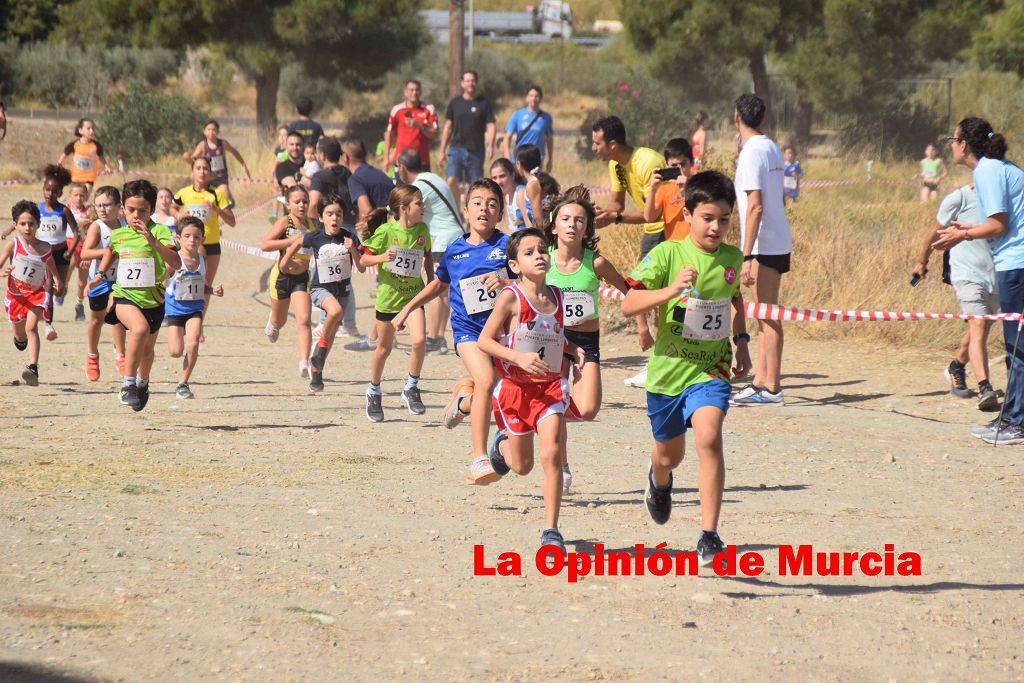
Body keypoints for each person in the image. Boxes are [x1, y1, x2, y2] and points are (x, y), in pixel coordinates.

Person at [621, 170, 752, 565]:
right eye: (708, 218)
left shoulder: (732, 258)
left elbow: (735, 299)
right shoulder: (666, 254)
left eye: (725, 219)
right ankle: (659, 481)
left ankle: (709, 535)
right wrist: (672, 290)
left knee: (709, 437)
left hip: (710, 368)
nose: (716, 227)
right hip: (668, 374)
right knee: (669, 456)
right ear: (689, 215)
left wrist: (742, 341)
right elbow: (629, 303)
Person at [392, 179, 511, 485]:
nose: (485, 208)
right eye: (478, 202)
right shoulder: (455, 250)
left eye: (492, 204)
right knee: (486, 381)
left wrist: (506, 281)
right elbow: (438, 285)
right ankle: (478, 460)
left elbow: (528, 279)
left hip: (502, 334)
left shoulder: (507, 246)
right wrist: (406, 309)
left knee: (493, 391)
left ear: (500, 214)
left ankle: (462, 402)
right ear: (466, 209)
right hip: (468, 333)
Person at [478, 228, 582, 554]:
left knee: (552, 452)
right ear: (514, 264)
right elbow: (485, 341)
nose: (538, 255)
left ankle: (552, 530)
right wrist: (518, 357)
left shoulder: (558, 296)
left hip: (549, 389)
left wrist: (572, 349)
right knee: (523, 467)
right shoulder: (511, 296)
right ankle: (502, 446)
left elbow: (552, 335)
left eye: (542, 250)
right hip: (515, 390)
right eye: (529, 252)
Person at [933, 117, 1024, 444]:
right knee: (1015, 345)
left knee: (1018, 347)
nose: (951, 145)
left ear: (964, 145)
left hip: (1016, 264)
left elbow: (998, 225)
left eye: (952, 139)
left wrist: (963, 235)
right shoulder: (994, 168)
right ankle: (1011, 416)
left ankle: (1017, 422)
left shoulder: (986, 170)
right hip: (1013, 263)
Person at [543, 186, 630, 493]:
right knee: (554, 405)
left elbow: (629, 293)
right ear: (554, 225)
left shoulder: (597, 263)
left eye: (579, 220)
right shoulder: (543, 261)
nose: (572, 224)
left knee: (588, 408)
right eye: (565, 218)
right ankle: (561, 463)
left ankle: (541, 417)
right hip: (551, 340)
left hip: (585, 341)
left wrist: (646, 324)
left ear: (587, 228)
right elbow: (520, 292)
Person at [91, 180, 181, 411]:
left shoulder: (160, 232)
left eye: (143, 210)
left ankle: (142, 382)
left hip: (154, 300)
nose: (136, 215)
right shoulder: (119, 235)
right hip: (125, 297)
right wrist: (100, 274)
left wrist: (153, 242)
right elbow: (111, 252)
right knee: (138, 329)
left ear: (151, 209)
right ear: (123, 208)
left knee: (147, 351)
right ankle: (128, 384)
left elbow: (176, 262)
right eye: (131, 210)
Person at [729, 93, 792, 407]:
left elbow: (754, 206)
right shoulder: (771, 146)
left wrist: (744, 253)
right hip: (776, 240)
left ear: (736, 117)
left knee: (767, 315)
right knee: (764, 313)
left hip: (763, 244)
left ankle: (772, 387)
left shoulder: (752, 151)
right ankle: (760, 381)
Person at [912, 183, 999, 410]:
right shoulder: (958, 198)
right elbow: (934, 233)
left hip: (996, 273)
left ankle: (957, 366)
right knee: (978, 324)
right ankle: (985, 388)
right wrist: (922, 261)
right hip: (966, 271)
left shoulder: (1002, 197)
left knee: (981, 326)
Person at [589, 115, 661, 387]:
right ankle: (656, 360)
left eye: (597, 143)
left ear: (613, 144)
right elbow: (617, 205)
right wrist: (603, 214)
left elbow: (656, 211)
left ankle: (656, 361)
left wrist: (615, 218)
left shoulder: (647, 161)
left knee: (646, 293)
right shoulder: (615, 165)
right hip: (652, 232)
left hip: (666, 230)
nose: (593, 148)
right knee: (646, 293)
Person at [356, 186, 433, 422]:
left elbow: (427, 254)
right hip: (389, 301)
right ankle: (374, 390)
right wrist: (382, 257)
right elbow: (363, 258)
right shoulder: (386, 232)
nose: (424, 207)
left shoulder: (422, 229)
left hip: (413, 297)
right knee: (384, 349)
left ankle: (411, 387)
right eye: (419, 203)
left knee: (419, 340)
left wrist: (430, 282)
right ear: (404, 208)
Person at [280, 193, 362, 393]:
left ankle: (317, 370)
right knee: (334, 313)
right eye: (330, 214)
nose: (334, 218)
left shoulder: (349, 237)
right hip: (320, 289)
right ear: (321, 217)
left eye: (339, 214)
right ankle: (317, 356)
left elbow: (359, 267)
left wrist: (354, 251)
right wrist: (284, 262)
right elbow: (298, 242)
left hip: (342, 291)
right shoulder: (314, 237)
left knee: (331, 333)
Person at [396, 147, 465, 354]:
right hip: (454, 236)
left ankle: (434, 339)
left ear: (401, 167)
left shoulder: (418, 187)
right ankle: (439, 338)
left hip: (443, 241)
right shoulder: (433, 178)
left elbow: (405, 215)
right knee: (442, 290)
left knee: (437, 290)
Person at [1, 200, 62, 386]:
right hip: (16, 296)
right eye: (23, 224)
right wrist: (2, 272)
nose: (27, 227)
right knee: (21, 335)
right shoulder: (14, 244)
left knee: (31, 328)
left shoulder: (45, 247)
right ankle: (20, 340)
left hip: (36, 294)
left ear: (38, 224)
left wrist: (57, 278)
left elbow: (50, 263)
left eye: (31, 224)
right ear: (15, 225)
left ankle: (33, 367)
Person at [171, 157, 235, 332]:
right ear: (192, 171)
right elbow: (172, 207)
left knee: (206, 283)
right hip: (193, 244)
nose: (202, 171)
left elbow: (232, 222)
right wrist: (179, 215)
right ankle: (183, 317)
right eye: (198, 168)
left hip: (212, 243)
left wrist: (217, 210)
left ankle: (198, 324)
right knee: (190, 279)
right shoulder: (184, 192)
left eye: (205, 168)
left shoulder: (217, 194)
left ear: (210, 172)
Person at [164, 217, 224, 399]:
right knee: (175, 352)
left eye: (196, 237)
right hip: (174, 310)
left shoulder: (202, 259)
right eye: (187, 236)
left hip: (194, 309)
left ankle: (183, 383)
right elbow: (160, 281)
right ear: (178, 238)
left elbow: (200, 286)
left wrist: (212, 290)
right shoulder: (174, 260)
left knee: (193, 343)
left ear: (203, 239)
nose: (192, 240)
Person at [261, 185, 316, 378]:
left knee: (304, 319)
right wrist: (291, 242)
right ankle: (273, 320)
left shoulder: (312, 224)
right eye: (297, 201)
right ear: (289, 204)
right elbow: (265, 244)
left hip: (302, 278)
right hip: (281, 277)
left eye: (305, 201)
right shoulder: (285, 222)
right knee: (280, 321)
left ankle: (304, 362)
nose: (302, 205)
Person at [78, 185, 127, 381]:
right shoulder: (97, 227)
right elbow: (85, 252)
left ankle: (120, 355)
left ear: (119, 206)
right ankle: (92, 355)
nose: (102, 209)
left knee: (118, 315)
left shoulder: (125, 225)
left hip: (120, 280)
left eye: (107, 205)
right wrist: (107, 252)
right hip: (99, 280)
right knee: (97, 320)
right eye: (98, 205)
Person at [440, 70, 496, 206]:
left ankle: (471, 212)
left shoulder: (484, 103)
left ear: (475, 83)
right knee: (451, 180)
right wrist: (442, 150)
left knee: (476, 185)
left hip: (476, 150)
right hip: (456, 148)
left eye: (472, 80)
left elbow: (491, 125)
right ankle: (457, 211)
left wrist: (490, 145)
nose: (470, 83)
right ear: (462, 83)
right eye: (467, 81)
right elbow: (448, 127)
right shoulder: (455, 103)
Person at [185, 120, 252, 205]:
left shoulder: (222, 144)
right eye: (208, 129)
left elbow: (234, 152)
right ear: (204, 132)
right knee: (206, 203)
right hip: (207, 179)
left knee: (223, 202)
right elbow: (194, 160)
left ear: (217, 131)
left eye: (213, 130)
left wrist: (243, 165)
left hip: (221, 179)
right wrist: (190, 165)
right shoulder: (202, 145)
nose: (211, 132)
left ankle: (228, 196)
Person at [644, 137, 695, 241]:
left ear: (692, 162)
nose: (680, 169)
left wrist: (687, 188)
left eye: (683, 164)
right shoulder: (664, 189)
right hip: (674, 247)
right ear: (667, 165)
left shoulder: (700, 183)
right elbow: (649, 217)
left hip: (697, 247)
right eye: (674, 165)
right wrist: (653, 189)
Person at [384, 80, 438, 172]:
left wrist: (419, 126)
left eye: (417, 90)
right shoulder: (397, 109)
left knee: (422, 187)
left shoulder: (428, 109)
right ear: (405, 92)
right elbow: (389, 134)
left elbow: (434, 134)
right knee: (401, 187)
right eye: (411, 90)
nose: (414, 93)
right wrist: (386, 157)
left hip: (422, 161)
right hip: (401, 160)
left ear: (420, 92)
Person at [502, 86, 554, 173]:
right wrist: (507, 156)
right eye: (531, 95)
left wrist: (550, 159)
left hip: (537, 159)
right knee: (519, 185)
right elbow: (507, 137)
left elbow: (549, 140)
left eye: (536, 96)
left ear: (540, 98)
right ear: (527, 98)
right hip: (520, 159)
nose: (534, 98)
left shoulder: (546, 118)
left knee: (535, 185)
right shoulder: (517, 115)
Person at [343, 139, 394, 220]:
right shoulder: (381, 174)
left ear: (345, 156)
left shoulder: (355, 179)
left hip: (376, 229)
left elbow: (366, 211)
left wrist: (361, 228)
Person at [57, 118, 111, 192]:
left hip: (89, 178)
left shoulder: (96, 145)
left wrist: (106, 166)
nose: (91, 131)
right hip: (76, 178)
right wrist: (59, 164)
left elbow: (101, 157)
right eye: (88, 128)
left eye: (93, 129)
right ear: (80, 130)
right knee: (76, 199)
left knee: (84, 198)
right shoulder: (75, 144)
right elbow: (64, 154)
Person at [65, 182, 91, 321]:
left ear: (86, 196)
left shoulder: (89, 211)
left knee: (82, 282)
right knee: (71, 260)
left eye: (82, 195)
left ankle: (79, 305)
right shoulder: (65, 209)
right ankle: (65, 285)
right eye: (76, 195)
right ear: (70, 196)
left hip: (84, 246)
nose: (79, 198)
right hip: (69, 243)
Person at [489, 158, 525, 231]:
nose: (498, 181)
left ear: (512, 175)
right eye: (494, 178)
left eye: (502, 176)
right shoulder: (506, 197)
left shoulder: (522, 193)